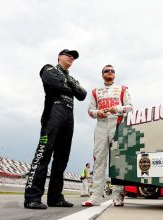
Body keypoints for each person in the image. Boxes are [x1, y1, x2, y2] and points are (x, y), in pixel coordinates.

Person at [24, 49, 87, 209]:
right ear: (59, 57)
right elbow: (57, 84)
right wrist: (70, 86)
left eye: (74, 57)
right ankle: (32, 197)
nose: (71, 57)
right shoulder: (49, 68)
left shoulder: (71, 77)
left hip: (69, 116)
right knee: (43, 153)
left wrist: (69, 84)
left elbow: (82, 94)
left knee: (62, 159)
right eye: (68, 54)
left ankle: (55, 197)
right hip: (54, 113)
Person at [82, 64, 133, 207]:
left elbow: (130, 107)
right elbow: (90, 111)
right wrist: (98, 112)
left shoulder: (123, 89)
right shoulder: (95, 91)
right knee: (99, 160)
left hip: (117, 123)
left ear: (114, 75)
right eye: (106, 71)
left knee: (117, 161)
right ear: (102, 74)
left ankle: (118, 196)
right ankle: (95, 196)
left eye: (112, 71)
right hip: (101, 125)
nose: (110, 72)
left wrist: (116, 108)